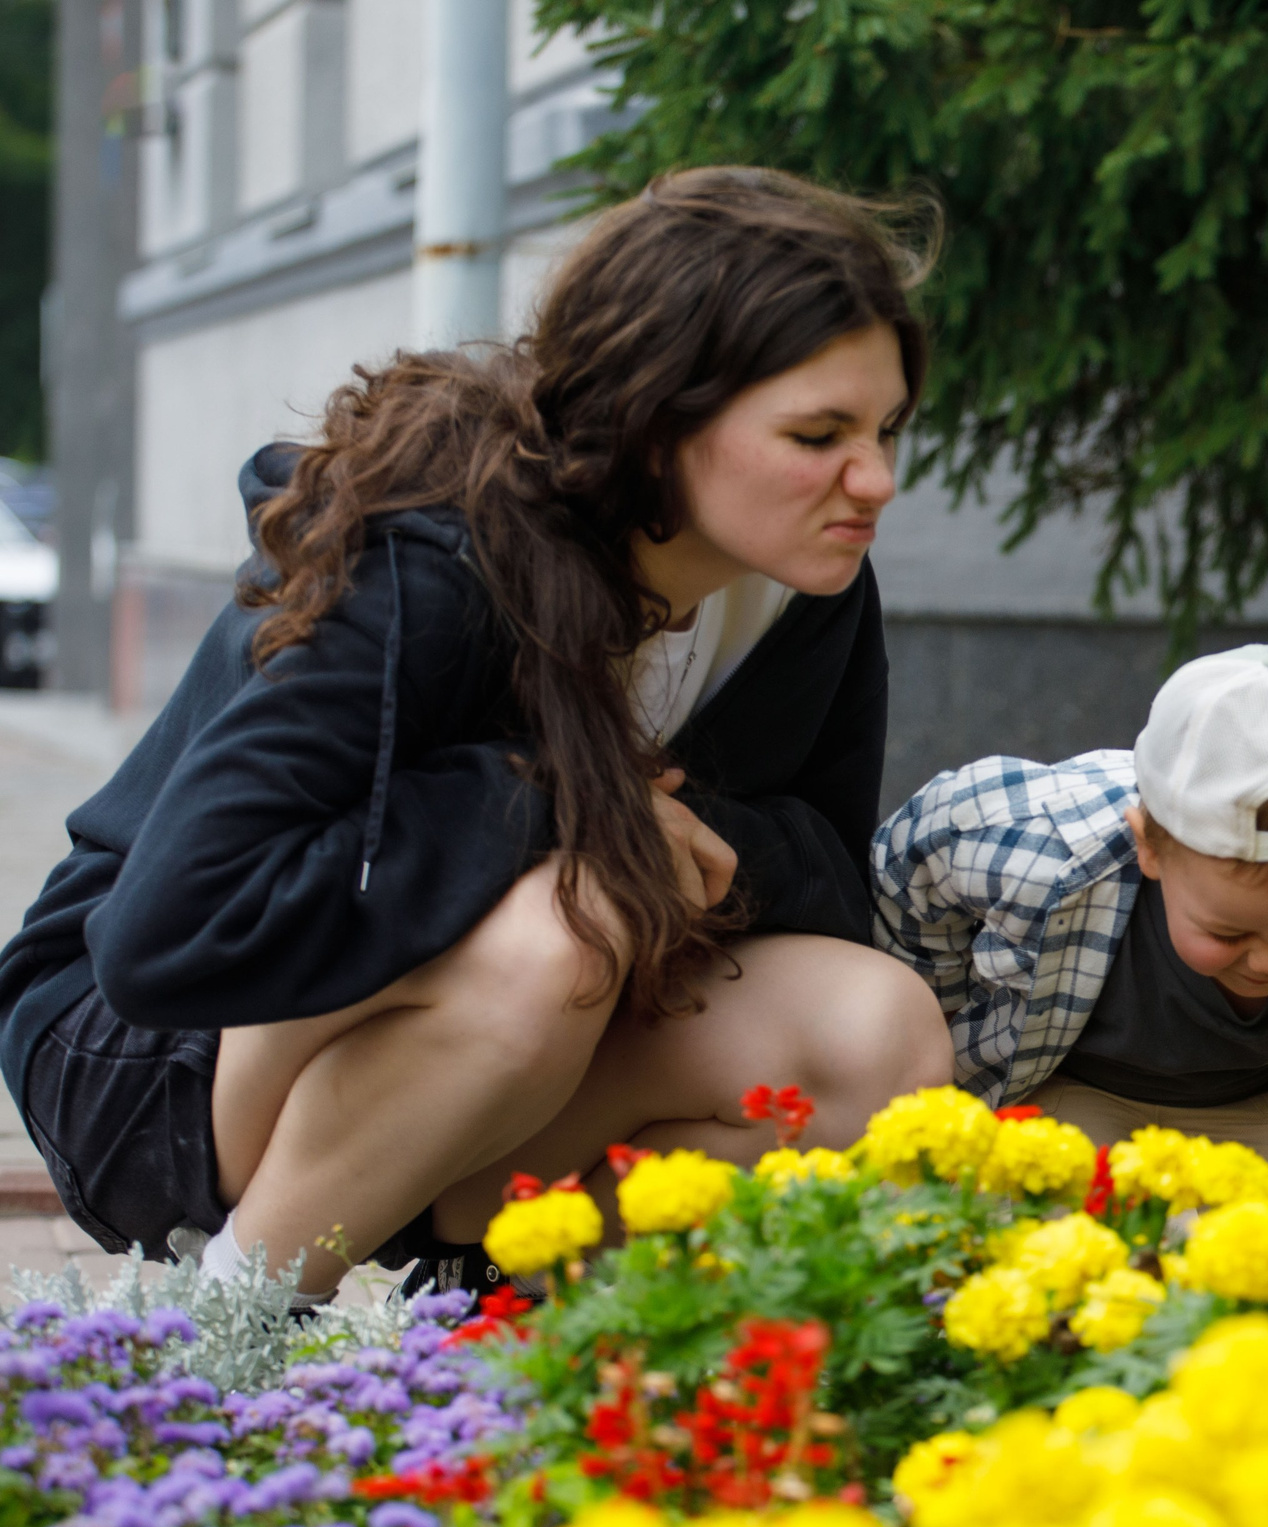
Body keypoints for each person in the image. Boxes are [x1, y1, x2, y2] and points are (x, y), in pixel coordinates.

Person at [0, 168, 956, 1304]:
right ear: (659, 421)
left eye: (886, 429)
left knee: (876, 1034)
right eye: (818, 433)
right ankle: (232, 1329)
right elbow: (170, 931)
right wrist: (568, 809)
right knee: (572, 925)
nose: (873, 479)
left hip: (499, 1068)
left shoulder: (805, 587)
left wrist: (674, 832)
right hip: (144, 1057)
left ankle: (505, 1335)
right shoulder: (437, 551)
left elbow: (827, 881)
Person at [872, 645, 1268, 1211]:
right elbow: (910, 860)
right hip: (1083, 1083)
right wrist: (932, 1014)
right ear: (1150, 846)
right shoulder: (1038, 847)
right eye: (1229, 934)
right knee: (1064, 1244)